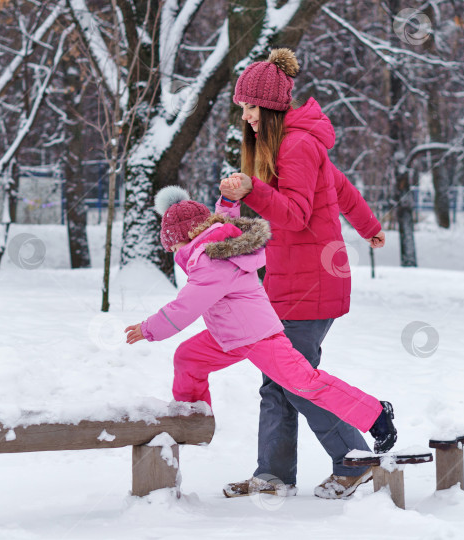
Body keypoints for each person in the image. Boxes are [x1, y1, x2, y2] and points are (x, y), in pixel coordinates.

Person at [218, 48, 389, 500]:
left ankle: (354, 459)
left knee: (295, 379)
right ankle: (273, 475)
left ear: (273, 106)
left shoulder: (295, 143)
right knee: (278, 381)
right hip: (288, 283)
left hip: (309, 284)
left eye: (252, 107)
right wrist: (369, 228)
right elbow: (342, 188)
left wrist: (253, 189)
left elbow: (292, 215)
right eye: (243, 107)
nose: (247, 116)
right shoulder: (290, 143)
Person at [124, 186, 397, 465]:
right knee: (188, 356)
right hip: (229, 336)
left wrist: (149, 328)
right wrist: (228, 201)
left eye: (174, 246)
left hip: (259, 337)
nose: (174, 253)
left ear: (187, 236)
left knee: (305, 383)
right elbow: (225, 222)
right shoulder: (217, 243)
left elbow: (186, 306)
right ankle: (193, 416)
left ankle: (375, 414)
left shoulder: (209, 261)